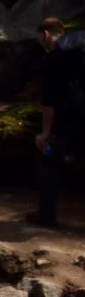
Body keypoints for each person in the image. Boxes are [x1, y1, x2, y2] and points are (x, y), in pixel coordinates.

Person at [35, 14, 85, 227]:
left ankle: (46, 215)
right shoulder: (82, 38)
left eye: (39, 38)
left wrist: (45, 133)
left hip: (71, 115)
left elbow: (49, 101)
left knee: (49, 160)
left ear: (46, 34)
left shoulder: (54, 57)